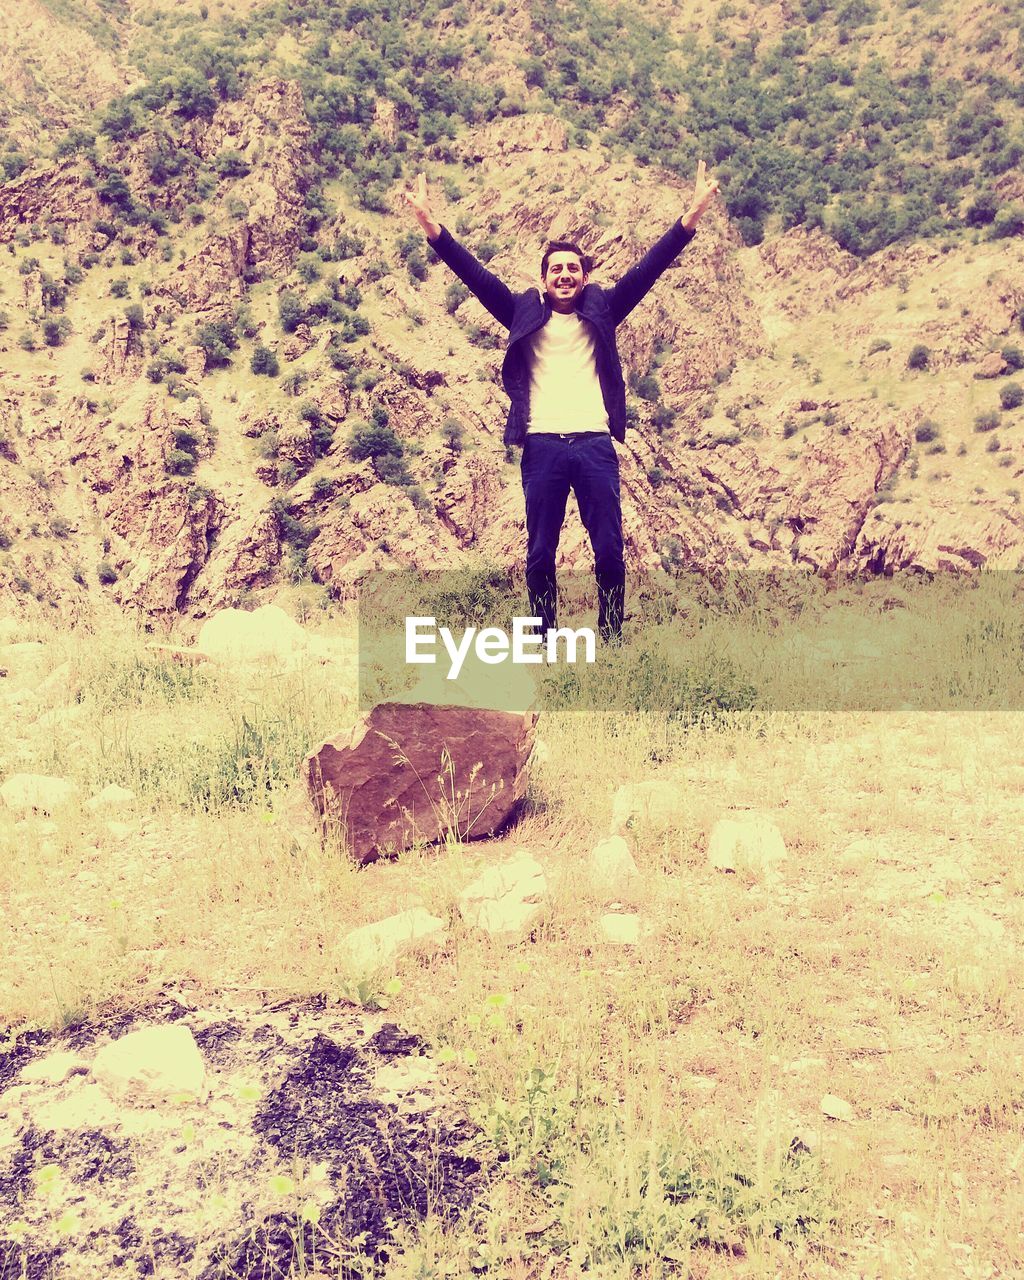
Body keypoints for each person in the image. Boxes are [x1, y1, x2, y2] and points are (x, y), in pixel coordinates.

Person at [402, 161, 719, 640]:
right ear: (544, 278)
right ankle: (544, 640)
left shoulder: (605, 309)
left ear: (585, 276)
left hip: (593, 443)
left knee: (609, 550)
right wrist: (432, 228)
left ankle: (609, 637)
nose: (565, 275)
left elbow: (649, 268)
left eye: (573, 268)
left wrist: (689, 217)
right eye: (556, 270)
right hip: (543, 445)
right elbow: (475, 275)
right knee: (540, 552)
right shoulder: (520, 312)